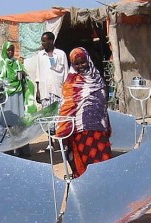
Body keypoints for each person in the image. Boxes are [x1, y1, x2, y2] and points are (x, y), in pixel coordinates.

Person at [56, 47, 112, 178]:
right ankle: (90, 193)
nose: (81, 66)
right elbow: (66, 108)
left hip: (99, 129)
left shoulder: (97, 77)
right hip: (82, 131)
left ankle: (104, 192)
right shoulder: (71, 82)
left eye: (83, 62)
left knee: (104, 163)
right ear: (72, 64)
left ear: (88, 60)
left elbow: (103, 105)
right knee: (88, 165)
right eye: (77, 63)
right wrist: (61, 131)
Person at [0, 41, 37, 156]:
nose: (10, 52)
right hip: (5, 99)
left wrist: (23, 76)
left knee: (19, 122)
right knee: (6, 123)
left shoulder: (17, 64)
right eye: (8, 50)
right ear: (4, 51)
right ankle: (7, 150)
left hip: (17, 97)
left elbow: (26, 79)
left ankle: (23, 150)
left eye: (12, 50)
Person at [35, 31, 69, 149]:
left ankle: (62, 142)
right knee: (47, 117)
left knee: (59, 117)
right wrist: (37, 90)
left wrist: (66, 90)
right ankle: (50, 143)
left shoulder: (60, 54)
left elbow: (66, 73)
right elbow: (38, 73)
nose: (43, 43)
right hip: (45, 90)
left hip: (58, 90)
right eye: (42, 41)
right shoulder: (40, 55)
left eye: (45, 41)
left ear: (51, 41)